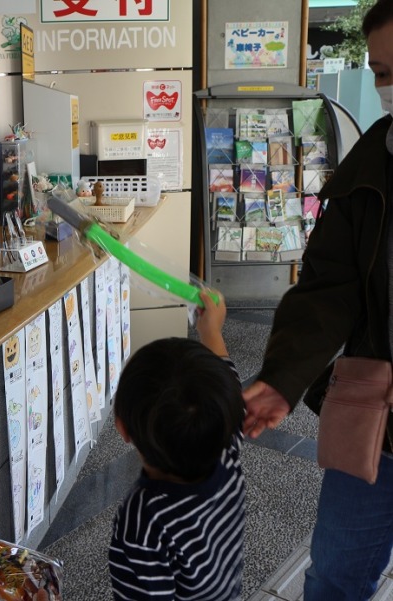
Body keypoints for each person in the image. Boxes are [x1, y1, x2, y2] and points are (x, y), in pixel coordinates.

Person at [243, 2, 393, 598]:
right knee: (334, 577)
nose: (389, 87)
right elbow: (330, 286)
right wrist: (282, 376)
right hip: (377, 426)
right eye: (383, 72)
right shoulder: (372, 166)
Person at [110, 290, 246, 600]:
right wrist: (210, 331)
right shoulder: (225, 445)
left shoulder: (143, 522)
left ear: (122, 429)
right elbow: (228, 380)